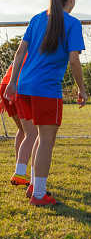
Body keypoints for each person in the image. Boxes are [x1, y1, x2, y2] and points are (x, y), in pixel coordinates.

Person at [4, 0, 87, 206]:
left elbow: (19, 53)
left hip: (24, 87)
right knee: (45, 141)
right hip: (46, 90)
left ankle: (34, 187)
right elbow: (74, 60)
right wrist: (81, 89)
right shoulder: (72, 23)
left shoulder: (37, 18)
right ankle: (39, 195)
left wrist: (12, 83)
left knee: (38, 138)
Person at [1, 57, 40, 190]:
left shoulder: (24, 49)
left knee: (22, 130)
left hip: (5, 86)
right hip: (17, 86)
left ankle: (19, 167)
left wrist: (3, 98)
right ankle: (20, 173)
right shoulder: (35, 49)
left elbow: (14, 65)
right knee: (32, 133)